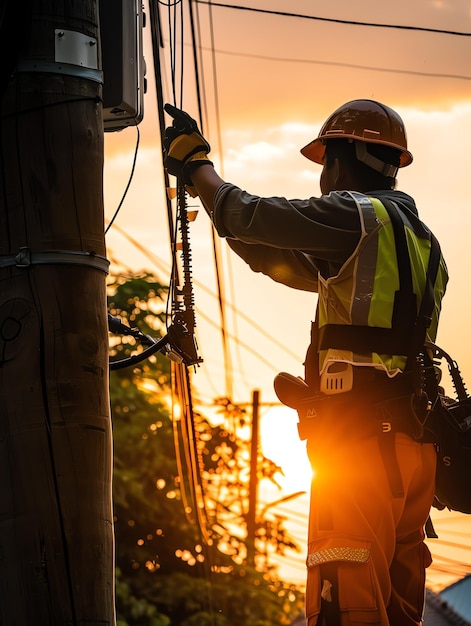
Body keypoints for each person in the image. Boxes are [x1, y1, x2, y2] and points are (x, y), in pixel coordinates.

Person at [163, 99, 448, 625]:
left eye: (325, 162)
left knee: (347, 601)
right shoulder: (421, 241)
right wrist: (218, 208)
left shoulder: (353, 216)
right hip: (415, 454)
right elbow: (267, 251)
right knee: (398, 610)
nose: (323, 177)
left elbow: (245, 214)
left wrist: (195, 163)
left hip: (362, 448)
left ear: (344, 159)